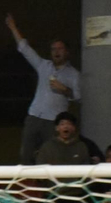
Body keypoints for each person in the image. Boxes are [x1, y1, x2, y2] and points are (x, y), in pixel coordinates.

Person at [6, 16, 80, 165]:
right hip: (34, 115)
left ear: (67, 52)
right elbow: (25, 49)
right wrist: (13, 28)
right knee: (26, 154)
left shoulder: (74, 74)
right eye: (53, 49)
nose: (56, 52)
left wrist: (65, 89)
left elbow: (78, 97)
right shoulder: (43, 65)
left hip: (53, 120)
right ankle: (27, 186)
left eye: (60, 49)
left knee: (50, 157)